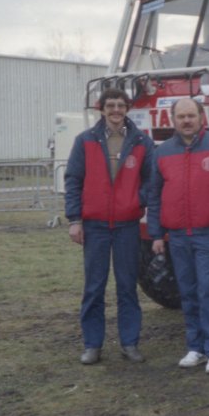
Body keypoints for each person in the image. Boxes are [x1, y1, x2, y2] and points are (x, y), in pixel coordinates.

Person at [149, 98, 209, 374]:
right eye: (181, 117)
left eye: (191, 115)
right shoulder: (162, 152)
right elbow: (154, 195)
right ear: (173, 120)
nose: (186, 121)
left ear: (202, 117)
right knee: (187, 291)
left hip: (207, 233)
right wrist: (156, 234)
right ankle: (195, 348)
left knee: (208, 289)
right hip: (177, 236)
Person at [64, 88, 156, 365]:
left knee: (127, 286)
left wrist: (134, 201)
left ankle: (130, 343)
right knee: (94, 287)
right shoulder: (85, 141)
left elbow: (152, 180)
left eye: (121, 105)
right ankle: (93, 344)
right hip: (95, 226)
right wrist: (74, 220)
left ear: (127, 109)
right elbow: (73, 180)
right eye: (111, 105)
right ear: (101, 109)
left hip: (127, 225)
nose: (116, 110)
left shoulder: (141, 141)